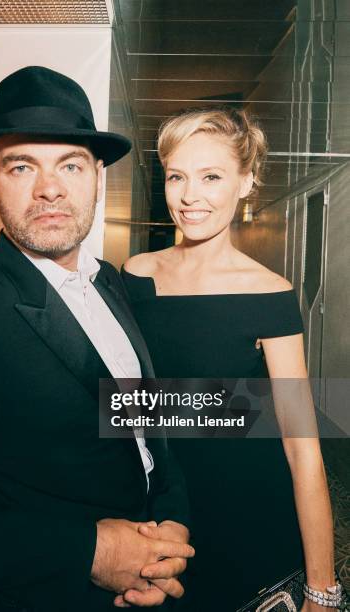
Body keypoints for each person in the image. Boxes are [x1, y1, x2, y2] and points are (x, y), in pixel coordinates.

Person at [0, 66, 195, 612]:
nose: (49, 188)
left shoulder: (113, 284)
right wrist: (92, 552)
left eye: (71, 164)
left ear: (98, 177)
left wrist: (171, 522)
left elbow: (143, 427)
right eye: (21, 165)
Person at [122, 107, 339, 610]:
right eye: (177, 176)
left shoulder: (269, 294)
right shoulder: (135, 275)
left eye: (211, 177)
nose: (189, 196)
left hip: (249, 521)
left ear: (247, 182)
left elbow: (302, 448)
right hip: (158, 517)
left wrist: (322, 589)